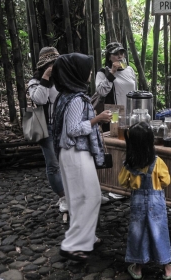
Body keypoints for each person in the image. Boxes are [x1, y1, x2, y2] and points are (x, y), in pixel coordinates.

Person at [51, 53, 112, 261]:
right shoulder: (76, 99)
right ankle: (72, 245)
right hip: (76, 152)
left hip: (69, 153)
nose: (90, 73)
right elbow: (73, 129)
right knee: (91, 196)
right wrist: (98, 119)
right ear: (75, 73)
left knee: (78, 198)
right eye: (86, 70)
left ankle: (85, 238)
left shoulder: (64, 95)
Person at [118, 122, 171, 280]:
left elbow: (122, 182)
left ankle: (138, 268)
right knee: (158, 232)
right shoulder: (157, 162)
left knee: (138, 233)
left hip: (137, 202)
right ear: (150, 141)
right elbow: (166, 181)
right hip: (156, 203)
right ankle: (167, 267)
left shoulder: (129, 164)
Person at [27, 46, 67, 212]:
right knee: (53, 164)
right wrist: (45, 77)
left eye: (56, 62)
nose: (54, 65)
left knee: (69, 161)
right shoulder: (35, 82)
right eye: (51, 63)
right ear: (43, 65)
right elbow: (39, 99)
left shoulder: (63, 79)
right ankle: (63, 197)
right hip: (46, 126)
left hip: (64, 124)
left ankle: (75, 193)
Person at [95, 42, 136, 131]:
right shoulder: (102, 72)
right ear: (109, 57)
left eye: (121, 53)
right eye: (116, 54)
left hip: (130, 113)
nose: (120, 56)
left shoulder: (129, 70)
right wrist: (112, 72)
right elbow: (101, 92)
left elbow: (134, 91)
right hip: (114, 114)